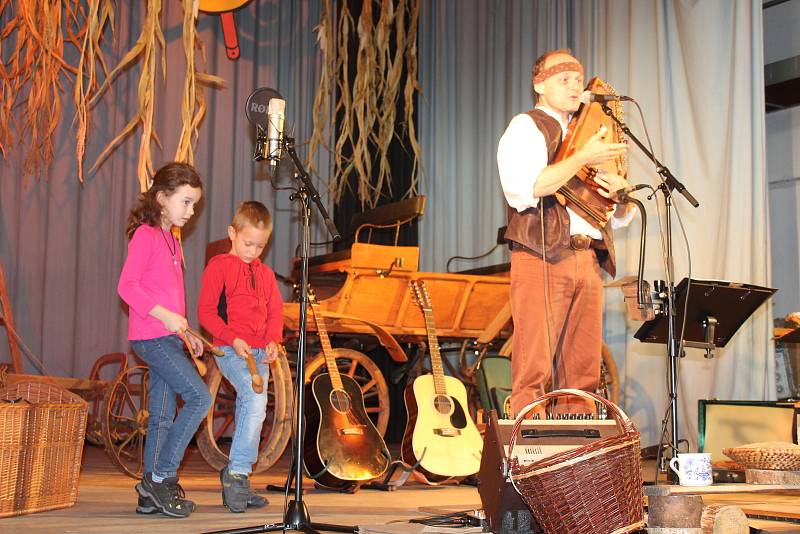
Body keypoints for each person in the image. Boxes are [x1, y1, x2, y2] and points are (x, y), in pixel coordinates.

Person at [497, 49, 632, 417]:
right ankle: (530, 455)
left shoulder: (590, 132)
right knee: (534, 364)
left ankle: (577, 453)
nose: (574, 86)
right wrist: (581, 158)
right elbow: (528, 187)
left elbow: (617, 216)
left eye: (577, 79)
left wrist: (621, 194)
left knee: (583, 367)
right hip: (542, 255)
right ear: (539, 85)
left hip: (587, 258)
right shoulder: (526, 127)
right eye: (563, 80)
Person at [118, 161, 212, 518]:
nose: (191, 211)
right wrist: (167, 317)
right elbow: (127, 287)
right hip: (152, 337)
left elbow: (171, 299)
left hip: (168, 339)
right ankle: (161, 476)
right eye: (186, 202)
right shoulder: (145, 234)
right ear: (161, 198)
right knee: (198, 398)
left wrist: (187, 333)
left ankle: (149, 494)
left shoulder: (171, 239)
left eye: (194, 205)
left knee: (160, 416)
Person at [198, 201, 283, 513]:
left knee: (255, 409)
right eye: (248, 243)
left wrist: (274, 340)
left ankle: (239, 477)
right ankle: (236, 475)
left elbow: (276, 313)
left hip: (260, 353)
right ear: (232, 233)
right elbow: (206, 313)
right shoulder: (219, 267)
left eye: (261, 246)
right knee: (255, 399)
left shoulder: (267, 275)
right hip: (229, 348)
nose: (253, 251)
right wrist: (233, 338)